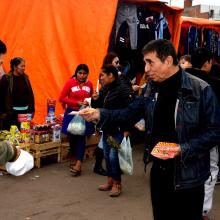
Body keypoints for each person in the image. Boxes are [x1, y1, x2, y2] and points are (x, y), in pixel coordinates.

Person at [79, 39, 220, 219]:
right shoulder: (150, 89)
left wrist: (182, 149)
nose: (145, 69)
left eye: (150, 62)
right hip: (159, 172)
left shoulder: (200, 89)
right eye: (145, 63)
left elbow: (215, 131)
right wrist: (99, 113)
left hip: (189, 177)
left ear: (168, 61)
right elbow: (129, 113)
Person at [185, 47, 220, 220]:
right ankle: (202, 211)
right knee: (209, 172)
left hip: (184, 136)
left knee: (186, 169)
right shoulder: (214, 84)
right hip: (207, 138)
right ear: (207, 64)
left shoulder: (181, 79)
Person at [91, 64, 133, 197]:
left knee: (113, 156)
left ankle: (117, 184)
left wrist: (127, 129)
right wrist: (95, 99)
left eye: (102, 75)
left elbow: (131, 109)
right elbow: (99, 107)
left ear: (111, 75)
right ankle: (110, 181)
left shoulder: (123, 88)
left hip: (118, 130)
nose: (100, 78)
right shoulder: (106, 88)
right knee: (107, 155)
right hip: (107, 128)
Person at [59, 64, 93, 177]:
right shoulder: (70, 82)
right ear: (76, 73)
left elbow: (92, 97)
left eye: (84, 73)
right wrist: (76, 103)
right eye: (80, 73)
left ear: (87, 74)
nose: (82, 75)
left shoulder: (90, 84)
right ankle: (74, 158)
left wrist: (91, 100)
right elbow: (62, 98)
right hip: (72, 113)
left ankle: (78, 163)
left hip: (84, 113)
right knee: (73, 137)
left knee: (81, 137)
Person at [0, 57, 35, 130]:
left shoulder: (25, 78)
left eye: (24, 66)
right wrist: (2, 112)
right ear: (15, 67)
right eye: (21, 66)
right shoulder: (6, 78)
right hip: (11, 115)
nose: (23, 68)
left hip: (25, 114)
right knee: (11, 137)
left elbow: (30, 95)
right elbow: (1, 96)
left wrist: (32, 110)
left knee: (24, 136)